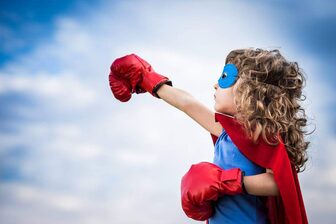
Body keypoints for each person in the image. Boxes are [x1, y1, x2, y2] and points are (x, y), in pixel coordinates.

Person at [108, 48, 310, 224]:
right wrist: (146, 77)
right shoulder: (225, 132)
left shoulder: (262, 133)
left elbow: (277, 183)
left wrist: (225, 181)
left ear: (250, 90)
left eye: (224, 78)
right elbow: (188, 104)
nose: (215, 85)